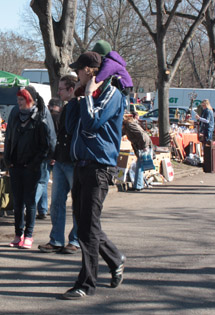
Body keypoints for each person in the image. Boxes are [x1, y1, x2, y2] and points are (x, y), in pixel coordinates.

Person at [62, 51, 126, 300]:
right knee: (85, 224)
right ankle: (115, 258)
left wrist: (88, 95)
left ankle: (86, 284)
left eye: (79, 70)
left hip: (98, 167)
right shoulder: (85, 95)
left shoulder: (111, 94)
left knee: (87, 229)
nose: (75, 74)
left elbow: (92, 123)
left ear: (89, 70)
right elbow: (69, 127)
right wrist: (76, 97)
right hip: (81, 164)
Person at [4, 86, 56, 250]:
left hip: (34, 165)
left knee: (30, 201)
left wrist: (40, 161)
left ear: (31, 100)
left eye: (22, 99)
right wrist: (8, 159)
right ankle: (18, 234)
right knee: (17, 202)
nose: (18, 102)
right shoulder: (14, 113)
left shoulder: (41, 114)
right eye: (18, 99)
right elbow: (9, 137)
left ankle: (29, 235)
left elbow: (48, 141)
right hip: (16, 163)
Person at [38, 76, 80, 254]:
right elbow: (60, 135)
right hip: (61, 160)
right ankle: (56, 239)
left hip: (74, 161)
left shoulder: (80, 106)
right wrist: (54, 155)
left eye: (61, 89)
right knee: (56, 203)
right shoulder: (66, 107)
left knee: (78, 203)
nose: (58, 92)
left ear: (71, 89)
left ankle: (75, 240)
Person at [122, 112, 153, 191]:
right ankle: (139, 185)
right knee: (140, 165)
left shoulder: (130, 125)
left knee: (139, 165)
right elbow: (121, 133)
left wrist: (144, 146)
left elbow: (141, 134)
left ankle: (138, 186)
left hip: (142, 145)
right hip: (141, 145)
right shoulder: (128, 126)